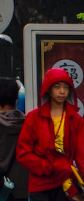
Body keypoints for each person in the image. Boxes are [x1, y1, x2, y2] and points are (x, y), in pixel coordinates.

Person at [18, 67, 84, 201]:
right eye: (57, 87)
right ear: (48, 88)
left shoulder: (76, 120)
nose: (62, 91)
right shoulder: (33, 118)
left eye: (66, 87)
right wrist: (48, 167)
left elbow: (81, 156)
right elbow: (23, 153)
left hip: (66, 185)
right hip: (40, 185)